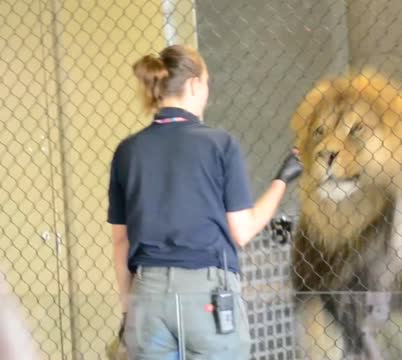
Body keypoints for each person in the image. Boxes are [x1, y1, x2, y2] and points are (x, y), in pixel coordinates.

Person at [107, 44, 302, 359]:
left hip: (148, 296)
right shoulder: (219, 145)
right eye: (208, 84)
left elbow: (120, 240)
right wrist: (283, 179)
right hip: (208, 297)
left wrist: (130, 305)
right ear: (195, 83)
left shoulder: (127, 151)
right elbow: (242, 230)